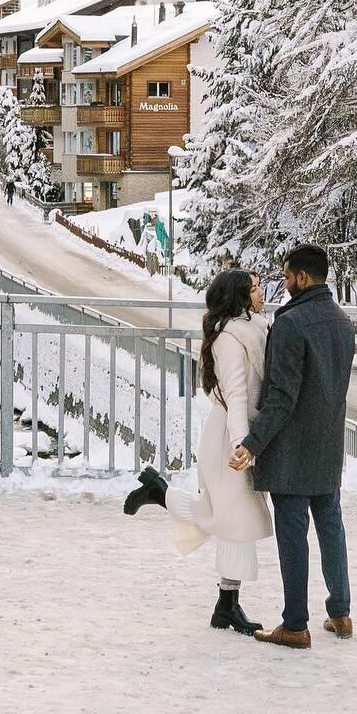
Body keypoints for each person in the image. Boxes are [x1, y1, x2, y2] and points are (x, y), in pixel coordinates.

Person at [122, 268, 271, 636]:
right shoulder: (231, 339)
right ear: (240, 297)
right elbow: (236, 395)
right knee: (236, 520)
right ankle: (227, 607)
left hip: (235, 433)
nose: (261, 291)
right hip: (228, 437)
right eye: (254, 288)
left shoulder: (249, 328)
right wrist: (242, 445)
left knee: (226, 515)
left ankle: (161, 492)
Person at [230, 243, 356, 649]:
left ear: (303, 277)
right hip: (328, 441)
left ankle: (295, 624)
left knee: (293, 534)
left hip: (292, 449)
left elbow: (282, 395)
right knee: (331, 526)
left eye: (286, 277)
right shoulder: (343, 322)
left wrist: (253, 443)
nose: (283, 285)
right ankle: (340, 612)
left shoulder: (292, 323)